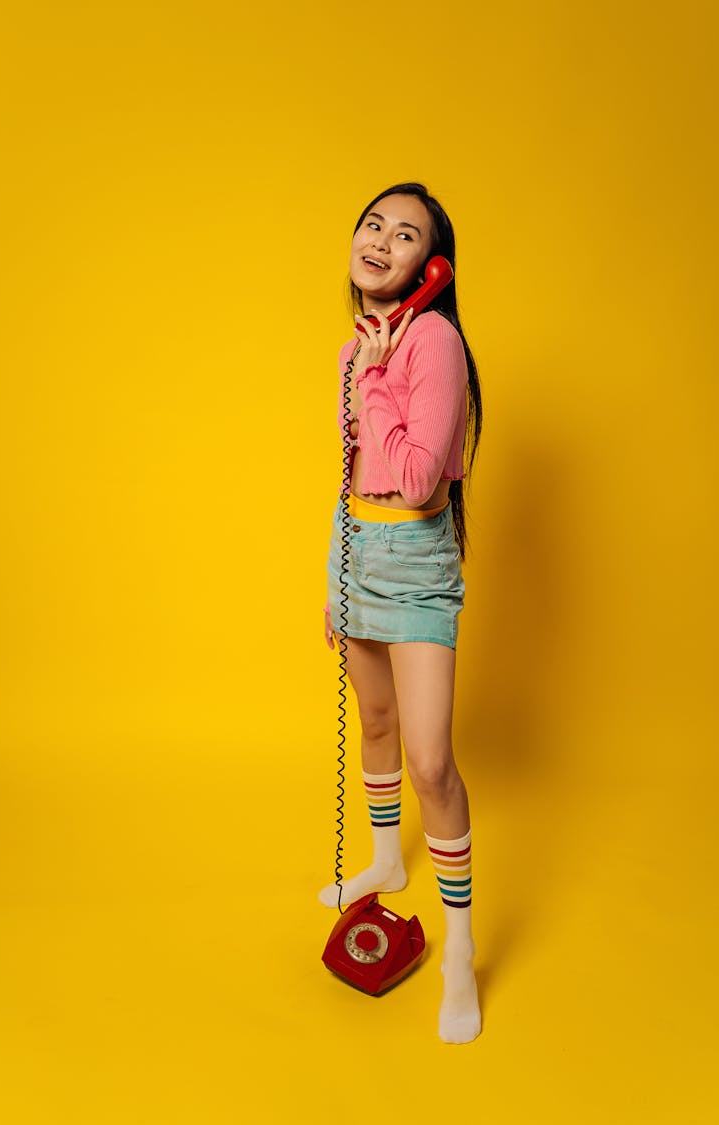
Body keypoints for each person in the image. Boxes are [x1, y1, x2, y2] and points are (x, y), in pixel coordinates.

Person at [319, 183, 484, 1044]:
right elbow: (353, 469)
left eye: (406, 234)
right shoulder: (353, 350)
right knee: (375, 724)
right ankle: (387, 858)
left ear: (432, 266)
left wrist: (381, 369)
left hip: (418, 565)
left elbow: (418, 480)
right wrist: (332, 574)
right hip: (358, 554)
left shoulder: (433, 340)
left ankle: (458, 949)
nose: (381, 241)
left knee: (430, 762)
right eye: (374, 224)